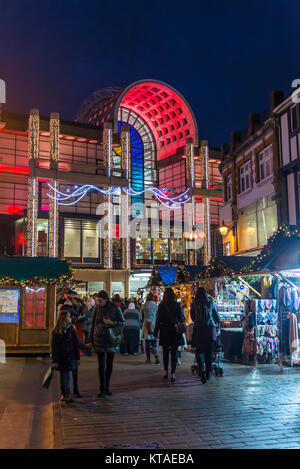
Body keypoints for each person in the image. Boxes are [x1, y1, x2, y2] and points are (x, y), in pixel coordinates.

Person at [87, 290, 124, 398]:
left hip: (110, 339)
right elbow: (92, 323)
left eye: (100, 300)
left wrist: (112, 323)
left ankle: (106, 387)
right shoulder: (97, 308)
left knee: (109, 364)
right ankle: (102, 388)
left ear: (106, 300)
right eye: (97, 300)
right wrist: (90, 339)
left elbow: (122, 322)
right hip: (98, 339)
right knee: (101, 364)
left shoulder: (115, 308)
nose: (98, 302)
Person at [154, 288, 184, 383]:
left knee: (165, 352)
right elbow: (180, 318)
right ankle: (173, 373)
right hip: (174, 331)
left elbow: (158, 320)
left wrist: (155, 333)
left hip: (164, 331)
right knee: (174, 353)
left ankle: (166, 371)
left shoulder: (162, 305)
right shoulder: (177, 305)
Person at [190, 287, 220, 384]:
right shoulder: (210, 302)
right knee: (209, 352)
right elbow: (217, 317)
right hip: (209, 330)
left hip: (199, 329)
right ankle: (207, 373)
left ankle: (201, 370)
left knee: (199, 351)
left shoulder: (194, 303)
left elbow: (193, 318)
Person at [52, 309, 80, 404]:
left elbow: (75, 344)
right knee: (63, 376)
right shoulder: (56, 331)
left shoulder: (71, 329)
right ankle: (65, 394)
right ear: (64, 318)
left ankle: (66, 394)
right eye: (68, 316)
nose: (70, 318)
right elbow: (54, 347)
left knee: (66, 376)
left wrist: (77, 358)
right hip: (61, 358)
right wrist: (55, 360)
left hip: (70, 357)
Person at [141, 293, 159, 364]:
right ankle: (156, 354)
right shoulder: (156, 305)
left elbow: (140, 317)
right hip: (154, 324)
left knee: (147, 343)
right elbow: (158, 316)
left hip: (146, 324)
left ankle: (148, 359)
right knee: (154, 341)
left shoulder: (143, 305)